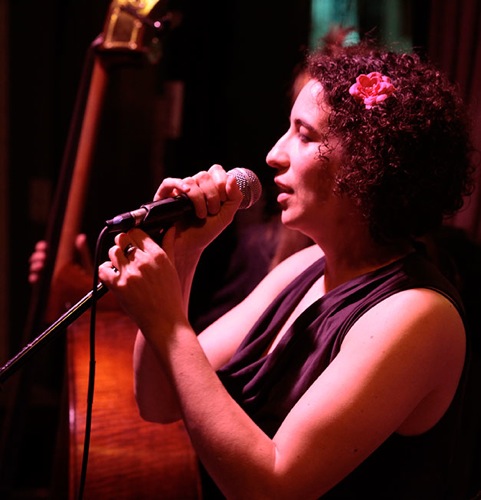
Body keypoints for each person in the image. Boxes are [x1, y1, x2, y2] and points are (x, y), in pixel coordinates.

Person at [97, 40, 476, 498]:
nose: (274, 154)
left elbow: (272, 489)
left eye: (304, 134)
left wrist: (168, 322)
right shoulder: (305, 267)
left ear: (367, 162)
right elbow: (158, 402)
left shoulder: (418, 314)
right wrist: (183, 254)